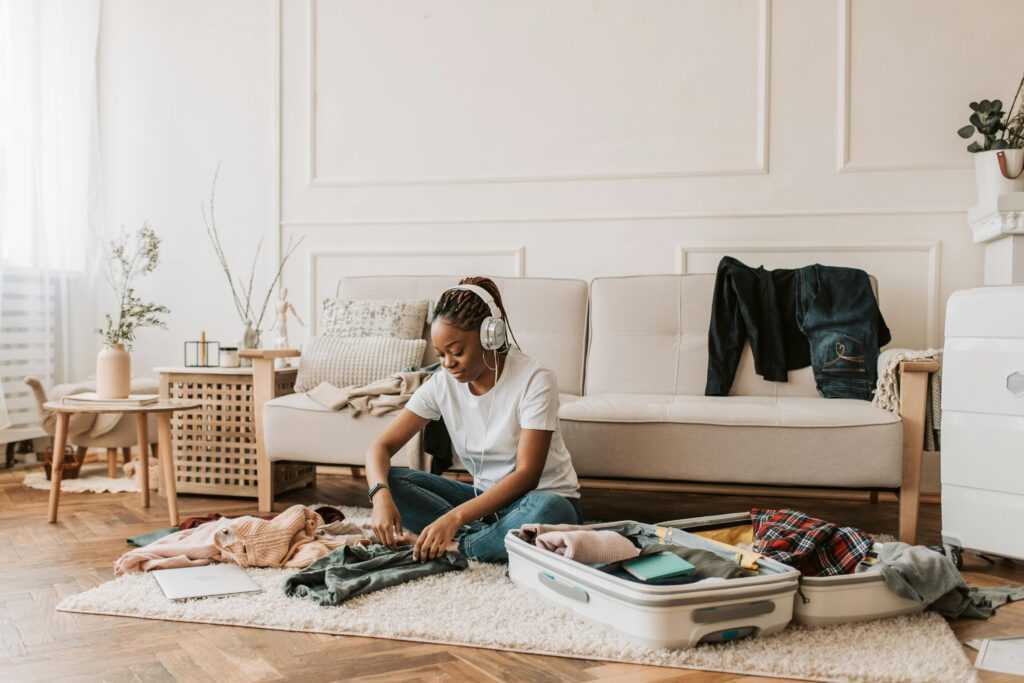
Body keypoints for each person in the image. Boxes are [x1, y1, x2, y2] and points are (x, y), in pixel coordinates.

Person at [364, 276, 582, 563]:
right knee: (392, 480)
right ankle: (493, 538)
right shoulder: (441, 383)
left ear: (489, 336)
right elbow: (379, 447)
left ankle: (456, 546)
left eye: (456, 352)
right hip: (482, 502)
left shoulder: (535, 379)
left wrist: (454, 518)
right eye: (441, 354)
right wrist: (379, 496)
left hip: (538, 499)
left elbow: (527, 475)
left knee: (550, 510)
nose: (447, 364)